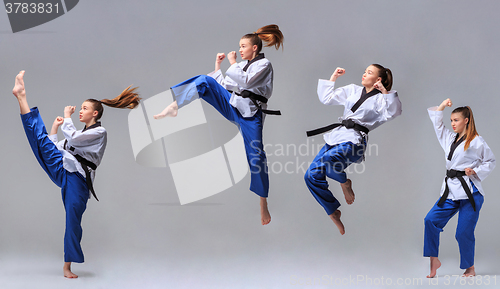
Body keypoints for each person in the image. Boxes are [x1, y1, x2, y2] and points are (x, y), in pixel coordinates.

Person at [12, 71, 141, 278]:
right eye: (80, 108)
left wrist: (68, 117)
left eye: (85, 108)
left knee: (72, 220)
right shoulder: (81, 134)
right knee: (40, 141)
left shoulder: (99, 133)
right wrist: (55, 127)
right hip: (63, 169)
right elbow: (56, 145)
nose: (80, 111)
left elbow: (71, 138)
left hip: (77, 181)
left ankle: (67, 267)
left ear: (95, 114)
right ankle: (21, 96)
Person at [153, 24, 284, 225]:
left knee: (257, 157)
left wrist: (232, 63)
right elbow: (226, 85)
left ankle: (263, 203)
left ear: (255, 48)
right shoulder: (241, 65)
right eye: (239, 47)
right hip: (233, 105)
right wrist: (217, 67)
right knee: (204, 81)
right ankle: (175, 105)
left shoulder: (264, 66)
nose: (240, 50)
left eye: (243, 46)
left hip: (251, 115)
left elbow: (247, 83)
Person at [304, 65, 402, 235]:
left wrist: (385, 92)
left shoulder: (381, 99)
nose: (364, 74)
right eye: (365, 71)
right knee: (310, 175)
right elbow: (326, 98)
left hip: (354, 142)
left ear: (378, 79)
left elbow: (394, 112)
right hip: (336, 138)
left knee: (328, 161)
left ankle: (344, 182)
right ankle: (333, 210)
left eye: (369, 73)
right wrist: (334, 76)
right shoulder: (352, 90)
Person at [424, 99, 495, 278]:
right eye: (451, 120)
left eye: (456, 120)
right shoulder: (449, 138)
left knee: (463, 232)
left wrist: (475, 171)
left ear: (466, 120)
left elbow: (490, 161)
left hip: (470, 192)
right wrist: (441, 106)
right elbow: (437, 124)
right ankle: (434, 260)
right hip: (450, 190)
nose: (453, 124)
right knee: (430, 220)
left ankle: (469, 267)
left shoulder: (477, 141)